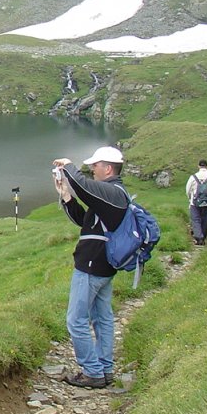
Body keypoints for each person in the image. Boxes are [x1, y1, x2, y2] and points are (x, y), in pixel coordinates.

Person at [52, 146, 131, 389]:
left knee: (76, 319)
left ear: (108, 168)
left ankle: (92, 371)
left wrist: (68, 165)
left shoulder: (112, 192)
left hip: (91, 265)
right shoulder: (111, 196)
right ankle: (105, 369)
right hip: (101, 266)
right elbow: (85, 222)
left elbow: (84, 186)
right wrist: (66, 194)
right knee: (102, 318)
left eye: (95, 166)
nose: (92, 169)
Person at [185, 159, 207, 247]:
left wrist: (190, 199)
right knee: (205, 220)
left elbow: (188, 190)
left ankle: (198, 237)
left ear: (198, 166)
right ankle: (203, 238)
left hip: (195, 203)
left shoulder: (193, 177)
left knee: (196, 220)